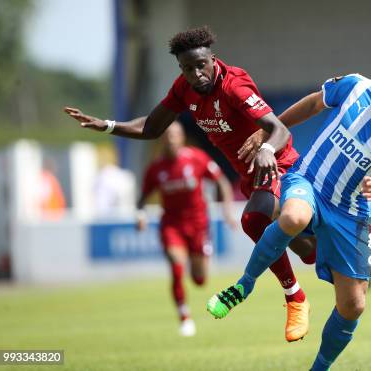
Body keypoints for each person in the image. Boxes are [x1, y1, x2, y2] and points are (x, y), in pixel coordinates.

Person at [64, 26, 313, 342]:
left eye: (200, 65)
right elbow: (153, 127)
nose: (195, 74)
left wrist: (265, 150)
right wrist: (108, 125)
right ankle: (324, 253)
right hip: (250, 175)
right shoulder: (184, 88)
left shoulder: (234, 85)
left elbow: (278, 129)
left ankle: (295, 298)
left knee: (253, 221)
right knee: (306, 250)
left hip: (278, 164)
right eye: (186, 68)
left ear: (212, 59)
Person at [207, 53, 371, 370]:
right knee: (293, 217)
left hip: (349, 209)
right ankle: (244, 285)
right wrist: (271, 131)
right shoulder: (356, 86)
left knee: (353, 306)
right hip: (308, 180)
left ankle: (319, 368)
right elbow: (314, 104)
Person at [137, 121, 235, 336]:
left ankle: (197, 272)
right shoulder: (156, 168)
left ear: (181, 138)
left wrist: (227, 210)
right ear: (162, 138)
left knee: (199, 280)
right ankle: (184, 317)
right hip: (172, 225)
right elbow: (142, 197)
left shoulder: (197, 158)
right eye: (167, 135)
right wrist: (141, 215)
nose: (171, 139)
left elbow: (222, 182)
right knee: (177, 266)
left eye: (175, 135)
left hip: (199, 225)